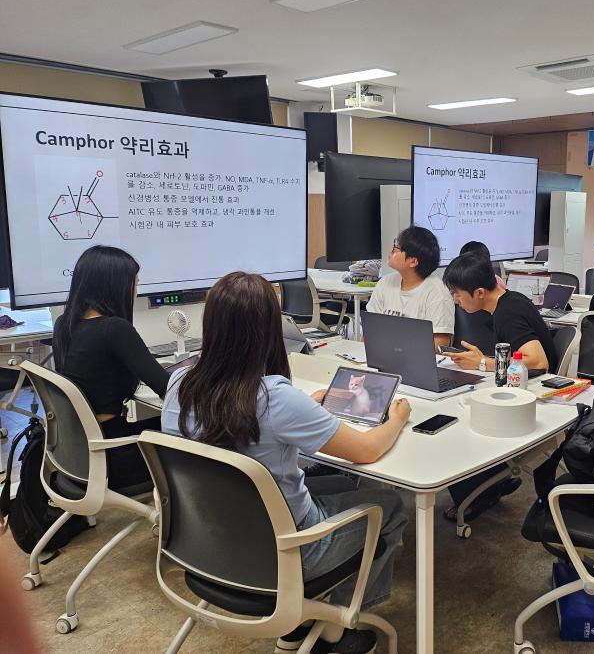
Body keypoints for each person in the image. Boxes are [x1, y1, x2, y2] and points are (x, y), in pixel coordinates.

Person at [161, 272, 411, 654]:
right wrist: (397, 418)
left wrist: (305, 408)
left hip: (207, 543)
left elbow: (245, 420)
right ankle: (334, 627)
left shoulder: (178, 383)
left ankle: (307, 620)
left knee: (340, 486)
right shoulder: (274, 398)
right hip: (284, 553)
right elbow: (367, 450)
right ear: (268, 328)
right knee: (388, 505)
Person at [439, 252, 558, 521]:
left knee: (456, 418)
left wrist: (482, 363)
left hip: (532, 395)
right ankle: (491, 480)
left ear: (479, 292)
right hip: (521, 389)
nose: (455, 300)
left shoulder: (507, 313)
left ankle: (478, 492)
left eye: (457, 293)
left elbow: (538, 360)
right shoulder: (509, 301)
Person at [53, 245, 169, 489]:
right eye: (135, 283)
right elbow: (167, 387)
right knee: (199, 431)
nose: (136, 291)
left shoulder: (64, 324)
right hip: (114, 457)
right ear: (117, 286)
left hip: (80, 453)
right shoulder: (114, 329)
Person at [366, 225, 455, 350]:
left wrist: (398, 348)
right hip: (384, 354)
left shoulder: (437, 293)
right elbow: (369, 330)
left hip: (417, 359)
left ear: (413, 261)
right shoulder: (385, 282)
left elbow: (440, 345)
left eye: (397, 248)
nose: (391, 250)